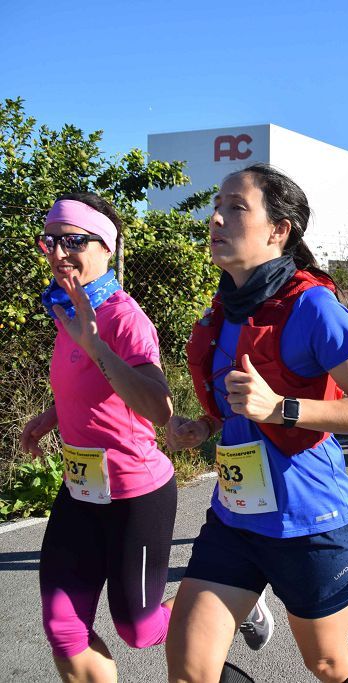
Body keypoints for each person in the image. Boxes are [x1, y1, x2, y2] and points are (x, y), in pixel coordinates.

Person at [165, 164, 348, 683]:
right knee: (188, 668)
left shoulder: (314, 307)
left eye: (236, 208)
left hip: (311, 525)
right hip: (235, 517)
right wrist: (203, 427)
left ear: (278, 230)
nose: (217, 218)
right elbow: (234, 407)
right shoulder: (223, 312)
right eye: (216, 207)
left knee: (328, 664)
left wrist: (281, 408)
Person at [20, 194, 176, 683]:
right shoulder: (68, 309)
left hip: (136, 493)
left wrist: (96, 344)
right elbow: (89, 387)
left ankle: (229, 597)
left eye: (74, 240)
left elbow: (158, 407)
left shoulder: (124, 319)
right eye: (51, 241)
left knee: (141, 630)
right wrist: (51, 416)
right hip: (81, 490)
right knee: (64, 628)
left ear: (106, 247)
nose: (60, 252)